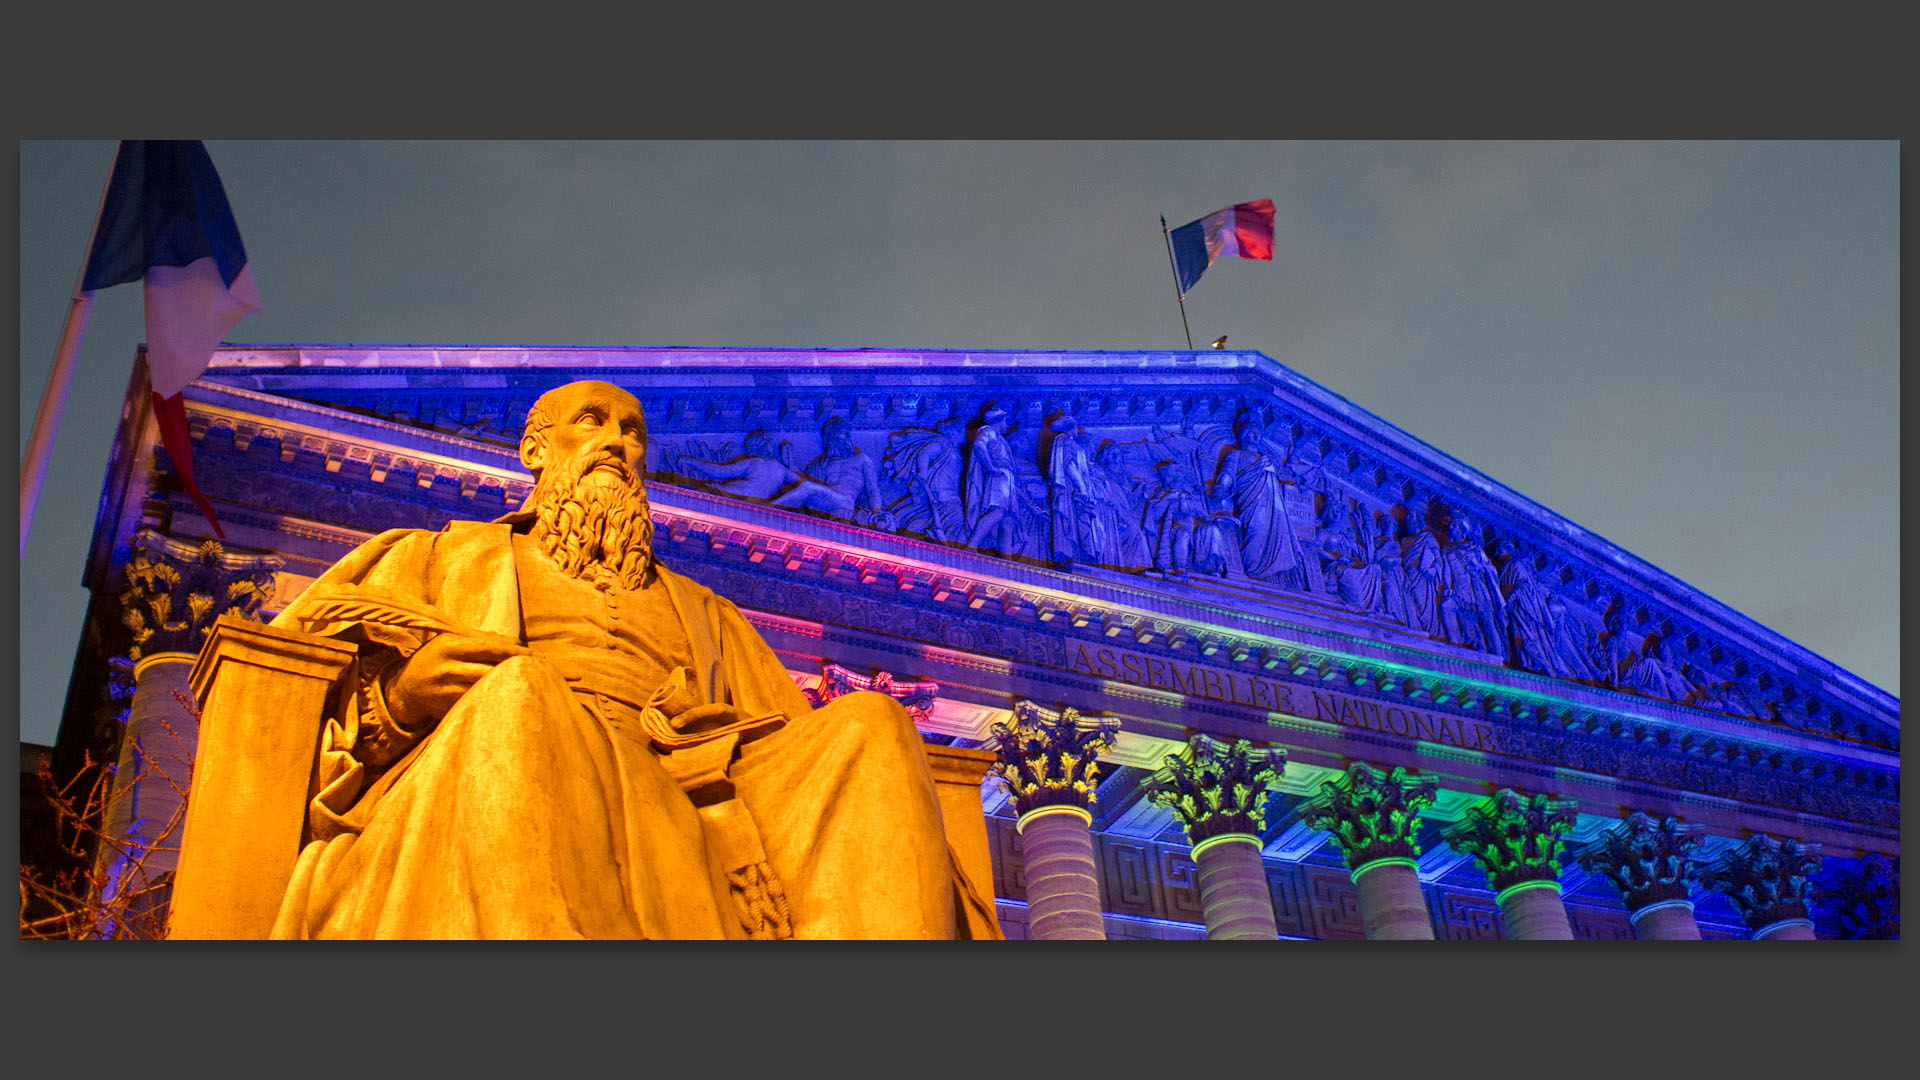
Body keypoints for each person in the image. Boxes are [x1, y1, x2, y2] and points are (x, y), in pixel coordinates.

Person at [268, 380, 999, 939]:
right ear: (534, 449)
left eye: (633, 431)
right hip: (518, 761)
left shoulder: (706, 612)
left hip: (686, 786)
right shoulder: (441, 558)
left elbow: (780, 736)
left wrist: (711, 738)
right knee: (519, 690)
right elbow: (298, 689)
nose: (617, 441)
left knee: (871, 720)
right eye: (592, 422)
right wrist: (398, 702)